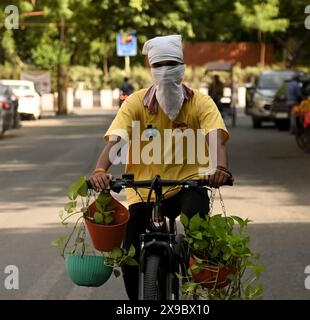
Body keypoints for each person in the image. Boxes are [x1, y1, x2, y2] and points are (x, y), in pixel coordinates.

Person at [87, 34, 232, 300]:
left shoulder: (201, 102)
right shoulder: (135, 103)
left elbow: (215, 139)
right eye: (159, 65)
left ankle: (191, 282)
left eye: (171, 64)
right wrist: (100, 171)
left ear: (182, 67)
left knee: (197, 231)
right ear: (150, 69)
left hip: (190, 183)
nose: (165, 71)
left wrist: (220, 168)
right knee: (130, 252)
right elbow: (116, 139)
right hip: (143, 189)